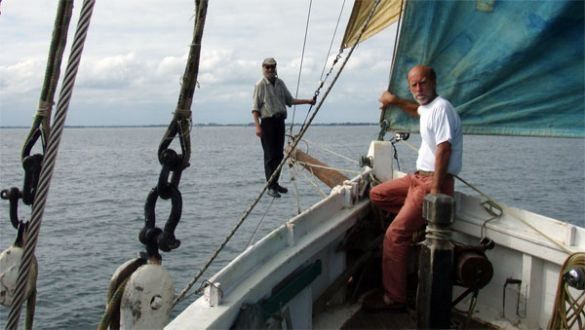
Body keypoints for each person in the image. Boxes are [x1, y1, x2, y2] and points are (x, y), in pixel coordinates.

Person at [364, 65, 463, 311]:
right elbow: (416, 110)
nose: (418, 88)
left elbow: (444, 149)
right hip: (417, 178)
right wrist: (395, 100)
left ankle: (394, 299)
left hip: (432, 182)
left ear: (434, 81)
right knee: (377, 194)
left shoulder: (441, 108)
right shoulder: (428, 108)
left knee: (394, 236)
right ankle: (416, 219)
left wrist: (435, 195)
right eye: (413, 85)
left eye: (423, 83)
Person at [252, 57, 316, 198]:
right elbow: (255, 109)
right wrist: (258, 127)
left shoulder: (280, 83)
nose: (269, 69)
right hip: (267, 123)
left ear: (275, 68)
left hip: (280, 122)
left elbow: (290, 100)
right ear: (263, 68)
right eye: (267, 67)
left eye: (272, 67)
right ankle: (270, 186)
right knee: (269, 156)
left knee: (279, 155)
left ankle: (275, 183)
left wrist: (308, 101)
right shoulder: (260, 85)